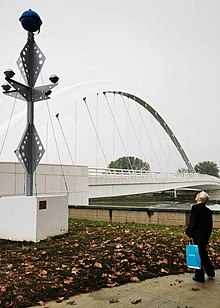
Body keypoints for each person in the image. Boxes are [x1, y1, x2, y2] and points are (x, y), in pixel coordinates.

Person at [186, 191, 215, 282]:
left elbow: (192, 222)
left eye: (198, 195)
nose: (196, 196)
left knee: (197, 255)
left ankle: (199, 276)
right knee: (203, 254)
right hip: (204, 236)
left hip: (196, 236)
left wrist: (189, 233)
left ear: (200, 199)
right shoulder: (208, 211)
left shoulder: (195, 208)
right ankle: (210, 272)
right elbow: (209, 225)